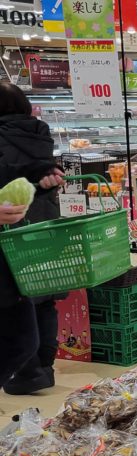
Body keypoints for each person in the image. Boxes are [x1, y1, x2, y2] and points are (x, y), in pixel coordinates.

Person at [0, 83, 64, 391]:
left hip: (11, 236)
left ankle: (29, 374)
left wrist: (38, 179)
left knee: (21, 333)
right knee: (41, 301)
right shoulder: (40, 133)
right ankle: (42, 369)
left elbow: (9, 178)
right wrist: (43, 180)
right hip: (40, 224)